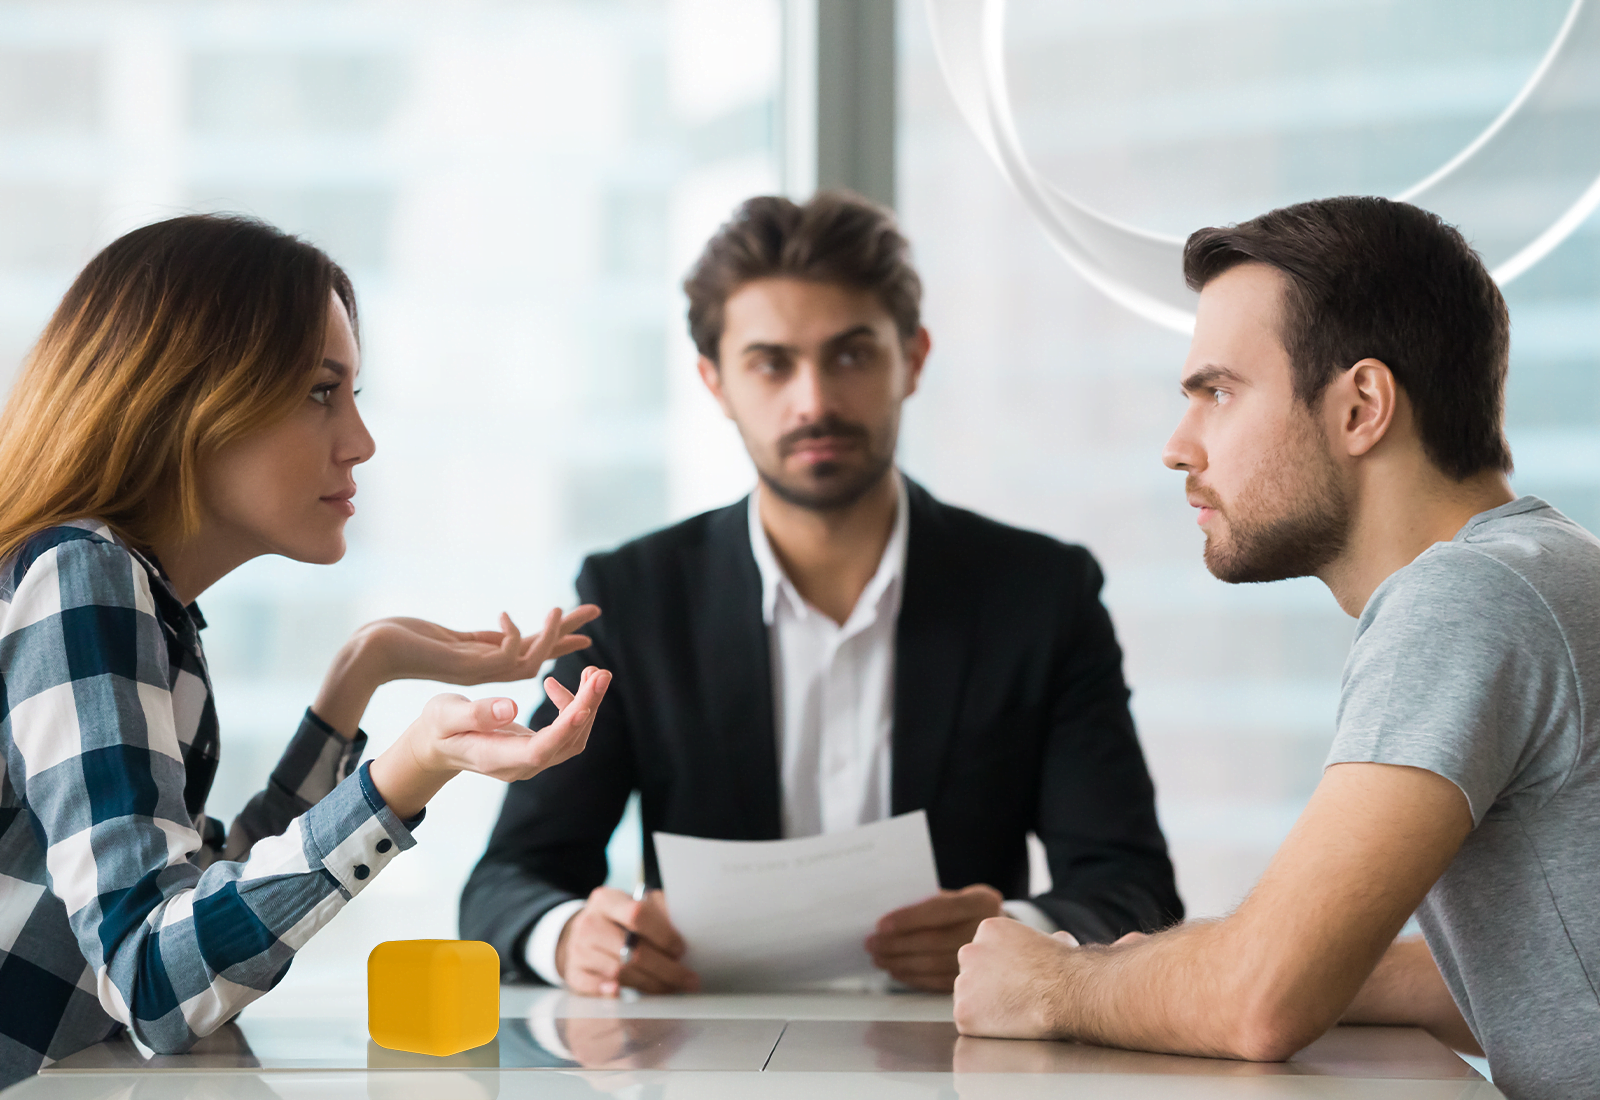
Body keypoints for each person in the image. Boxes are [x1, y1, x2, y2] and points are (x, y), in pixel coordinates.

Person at [951, 195, 1600, 1100]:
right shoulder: (1548, 570)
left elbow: (1262, 1003)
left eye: (1217, 392)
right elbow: (1540, 971)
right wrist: (1183, 967)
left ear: (1361, 406)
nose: (1179, 448)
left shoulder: (1466, 599)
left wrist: (1054, 984)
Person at [460, 191, 1181, 997]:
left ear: (913, 359)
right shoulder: (633, 598)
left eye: (851, 355)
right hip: (708, 1065)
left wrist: (1020, 936)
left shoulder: (1042, 595)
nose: (814, 401)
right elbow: (507, 883)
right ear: (715, 382)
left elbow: (1132, 886)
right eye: (772, 363)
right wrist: (570, 940)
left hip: (959, 1058)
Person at [0, 214, 611, 1087]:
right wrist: (409, 769)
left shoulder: (123, 592)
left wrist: (360, 678)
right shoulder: (81, 578)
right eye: (323, 391)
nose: (359, 441)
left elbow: (192, 904)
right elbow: (155, 980)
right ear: (189, 397)